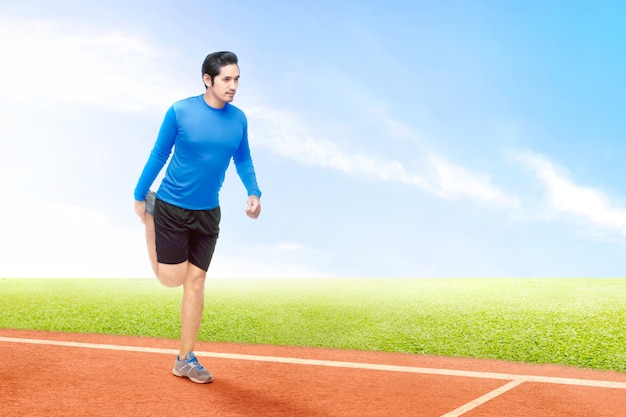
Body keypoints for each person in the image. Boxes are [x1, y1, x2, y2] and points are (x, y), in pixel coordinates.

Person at [133, 51, 262, 384]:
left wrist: (254, 191)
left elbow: (243, 157)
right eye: (226, 79)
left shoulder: (239, 119)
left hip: (208, 213)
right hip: (172, 207)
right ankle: (151, 215)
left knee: (196, 282)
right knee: (171, 280)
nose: (233, 86)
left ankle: (184, 358)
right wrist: (139, 194)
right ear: (208, 79)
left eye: (237, 79)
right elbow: (159, 153)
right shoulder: (180, 111)